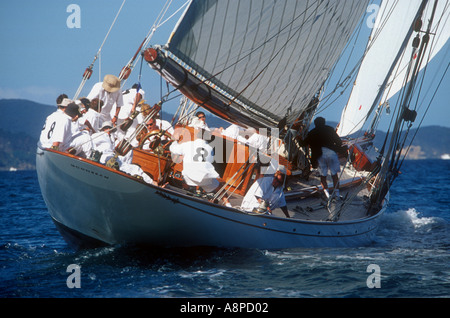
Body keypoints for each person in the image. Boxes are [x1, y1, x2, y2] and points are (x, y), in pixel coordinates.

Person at [303, 117, 347, 199]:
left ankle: (327, 195)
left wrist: (298, 138)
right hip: (331, 153)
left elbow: (303, 144)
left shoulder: (312, 133)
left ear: (315, 124)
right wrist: (335, 148)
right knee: (334, 175)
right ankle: (337, 195)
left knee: (323, 176)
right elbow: (339, 142)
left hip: (320, 155)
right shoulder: (330, 129)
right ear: (324, 122)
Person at [169, 128, 220, 195]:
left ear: (197, 136)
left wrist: (175, 140)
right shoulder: (210, 148)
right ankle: (227, 203)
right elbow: (209, 161)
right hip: (204, 179)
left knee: (187, 171)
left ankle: (185, 191)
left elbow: (173, 149)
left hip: (188, 176)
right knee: (219, 187)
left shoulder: (188, 144)